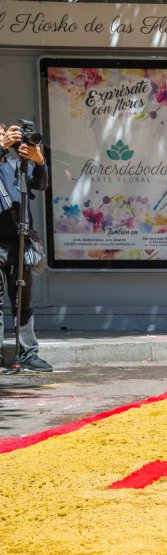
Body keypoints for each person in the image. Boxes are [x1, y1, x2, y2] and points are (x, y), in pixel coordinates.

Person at [0, 124, 51, 372]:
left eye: (3, 134)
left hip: (20, 241)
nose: (5, 138)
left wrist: (39, 161)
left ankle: (29, 353)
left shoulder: (17, 164)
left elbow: (40, 184)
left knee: (23, 301)